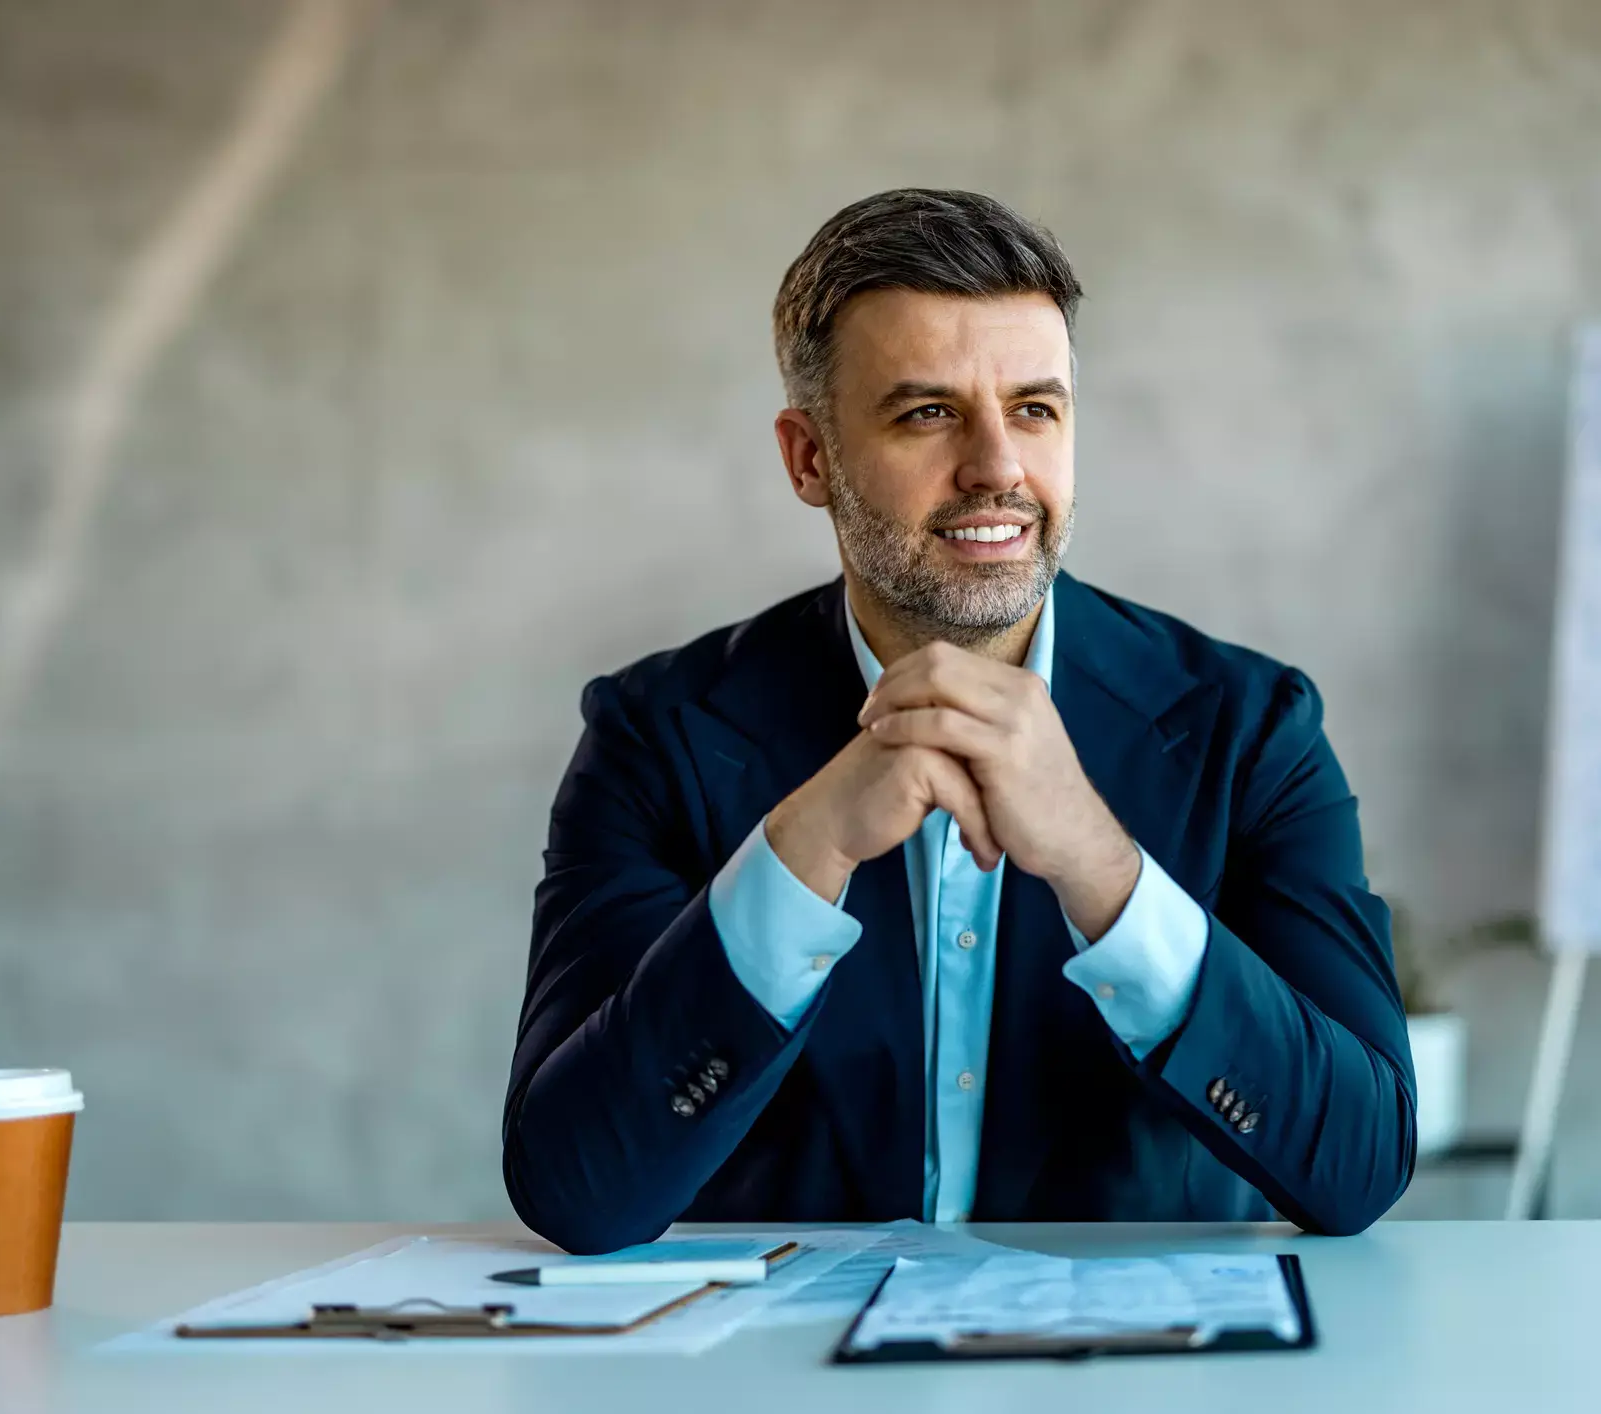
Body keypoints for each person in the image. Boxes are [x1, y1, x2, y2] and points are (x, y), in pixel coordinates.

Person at [503, 189, 1415, 1253]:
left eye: (1034, 408)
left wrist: (1102, 870)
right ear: (809, 459)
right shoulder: (655, 734)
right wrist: (803, 854)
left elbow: (1356, 1167)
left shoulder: (1251, 729)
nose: (996, 466)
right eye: (927, 412)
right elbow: (576, 1186)